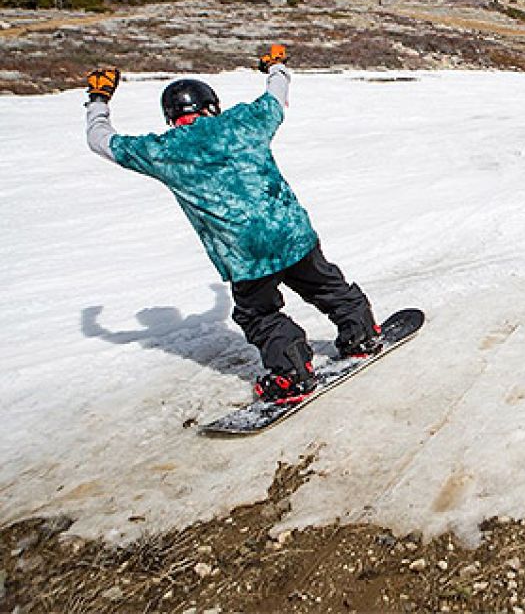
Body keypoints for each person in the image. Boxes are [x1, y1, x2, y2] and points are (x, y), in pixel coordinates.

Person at [83, 45, 382, 404]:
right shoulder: (245, 122)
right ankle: (361, 334)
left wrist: (98, 98)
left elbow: (100, 140)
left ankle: (292, 372)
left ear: (171, 116)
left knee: (258, 314)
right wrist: (276, 66)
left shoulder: (164, 151)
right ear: (212, 105)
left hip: (245, 253)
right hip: (291, 233)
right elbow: (277, 96)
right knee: (324, 284)